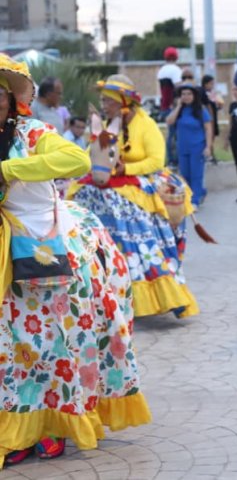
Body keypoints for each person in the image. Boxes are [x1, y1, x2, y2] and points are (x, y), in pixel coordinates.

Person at [0, 56, 150, 466]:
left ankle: (54, 422)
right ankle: (14, 423)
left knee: (48, 340)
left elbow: (78, 161)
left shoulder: (32, 133)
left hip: (36, 243)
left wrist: (8, 169)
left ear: (12, 100)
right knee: (9, 346)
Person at [68, 75, 199, 319]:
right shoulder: (107, 125)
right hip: (112, 180)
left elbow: (156, 161)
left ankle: (147, 260)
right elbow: (92, 153)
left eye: (109, 101)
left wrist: (125, 169)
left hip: (144, 180)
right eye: (103, 101)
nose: (104, 105)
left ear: (124, 103)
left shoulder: (145, 124)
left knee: (126, 211)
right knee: (82, 196)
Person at [166, 83, 213, 206]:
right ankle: (201, 192)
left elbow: (208, 128)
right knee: (185, 175)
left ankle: (194, 201)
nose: (186, 96)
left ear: (194, 96)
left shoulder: (200, 110)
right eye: (183, 94)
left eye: (189, 94)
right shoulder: (179, 110)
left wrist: (208, 147)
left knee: (196, 175)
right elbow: (169, 121)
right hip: (182, 147)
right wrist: (178, 106)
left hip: (197, 146)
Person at [157, 46, 182, 118]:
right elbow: (178, 88)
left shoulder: (161, 70)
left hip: (163, 107)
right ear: (176, 57)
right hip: (173, 108)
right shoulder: (176, 70)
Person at [201, 74, 224, 138]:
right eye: (211, 84)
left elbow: (215, 107)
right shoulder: (203, 94)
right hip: (207, 120)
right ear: (205, 84)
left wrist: (219, 106)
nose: (212, 86)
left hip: (214, 118)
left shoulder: (212, 94)